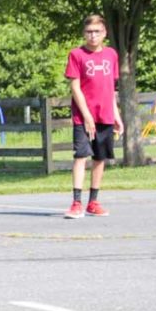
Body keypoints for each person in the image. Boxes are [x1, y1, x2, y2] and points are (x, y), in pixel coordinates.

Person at [64, 14, 122, 219]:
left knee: (100, 158)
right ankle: (76, 202)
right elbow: (75, 88)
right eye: (89, 32)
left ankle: (93, 202)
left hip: (104, 114)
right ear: (84, 33)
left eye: (97, 32)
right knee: (80, 156)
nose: (93, 36)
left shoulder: (111, 55)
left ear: (104, 33)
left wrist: (117, 115)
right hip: (83, 117)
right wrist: (87, 116)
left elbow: (110, 89)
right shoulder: (76, 55)